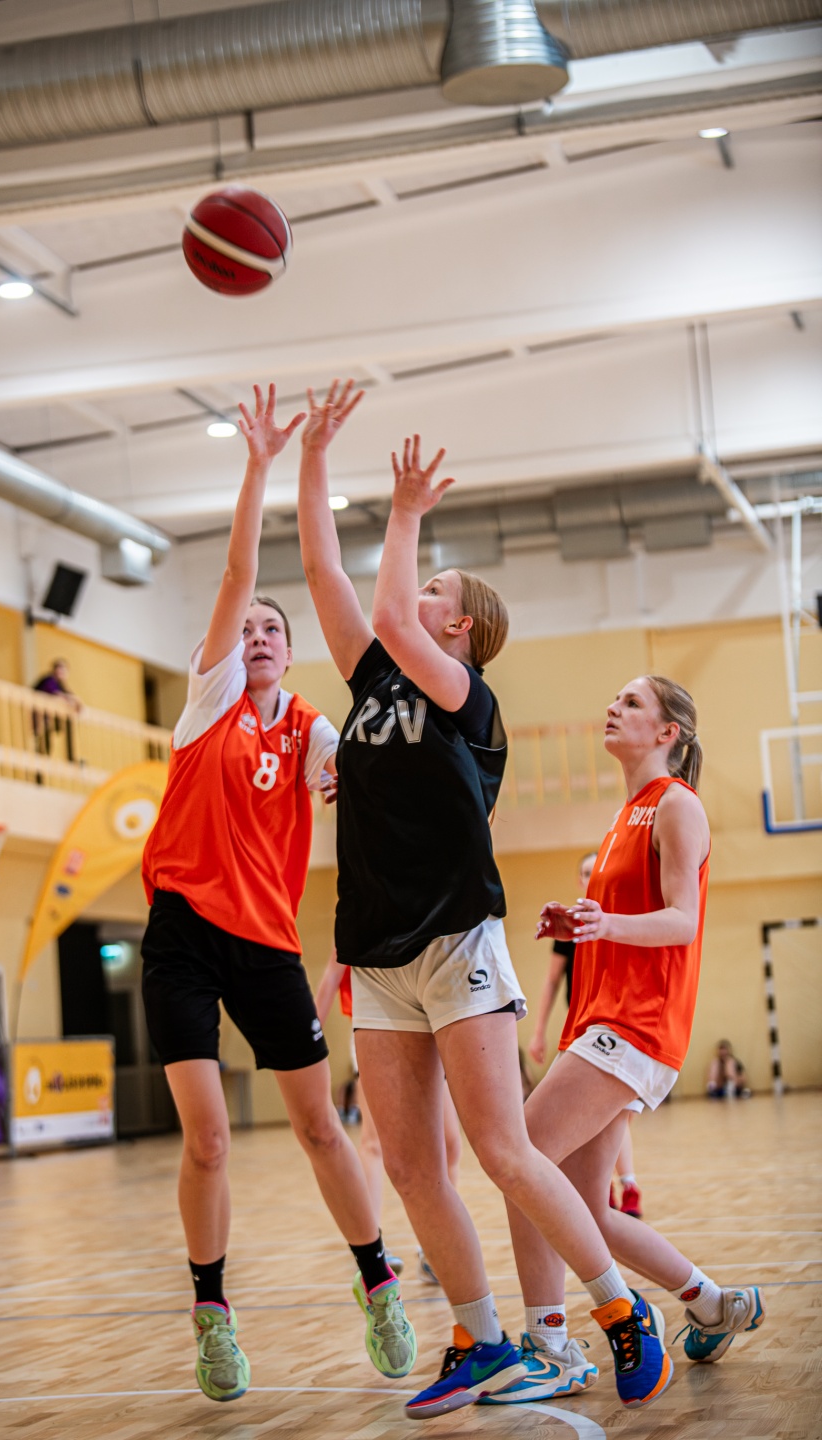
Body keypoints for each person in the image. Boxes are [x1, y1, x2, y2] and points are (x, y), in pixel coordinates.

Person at [298, 382, 669, 1419]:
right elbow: (326, 572)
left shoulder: (469, 700)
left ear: (456, 625)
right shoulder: (371, 686)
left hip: (457, 938)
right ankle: (481, 1338)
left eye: (431, 589)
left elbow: (382, 607)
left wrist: (405, 510)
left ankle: (620, 1311)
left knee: (504, 1150)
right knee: (414, 1167)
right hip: (376, 950)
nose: (409, 598)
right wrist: (312, 455)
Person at [139, 384, 416, 1406]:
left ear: (290, 655)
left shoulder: (311, 729)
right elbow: (237, 571)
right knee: (209, 1137)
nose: (255, 633)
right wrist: (260, 460)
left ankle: (379, 1285)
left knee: (317, 1128)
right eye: (247, 626)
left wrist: (351, 784)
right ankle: (212, 1313)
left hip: (265, 944)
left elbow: (356, 777)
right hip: (180, 934)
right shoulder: (209, 701)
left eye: (271, 630)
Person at [491, 675, 765, 1409]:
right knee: (586, 1210)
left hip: (636, 1025)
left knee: (520, 1158)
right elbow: (626, 920)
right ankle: (712, 1303)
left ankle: (550, 1344)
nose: (613, 708)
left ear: (668, 732)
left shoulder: (676, 805)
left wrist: (606, 923)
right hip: (604, 1020)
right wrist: (583, 923)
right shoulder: (627, 812)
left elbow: (682, 920)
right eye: (615, 699)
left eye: (632, 702)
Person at [315, 948, 463, 1285]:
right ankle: (372, 1245)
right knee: (374, 1143)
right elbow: (330, 978)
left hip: (430, 1026)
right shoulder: (355, 926)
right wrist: (308, 1040)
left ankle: (436, 1248)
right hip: (375, 1028)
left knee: (450, 1143)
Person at [529, 851, 643, 1220]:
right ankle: (603, 1186)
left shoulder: (624, 921)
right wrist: (538, 1032)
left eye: (596, 870)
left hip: (617, 1028)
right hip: (581, 1028)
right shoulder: (571, 926)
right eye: (585, 872)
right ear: (579, 881)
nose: (591, 876)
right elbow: (551, 982)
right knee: (588, 1116)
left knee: (614, 1114)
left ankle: (627, 1184)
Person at [32, 658, 81, 764]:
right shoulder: (49, 680)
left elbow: (69, 696)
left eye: (64, 670)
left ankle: (69, 757)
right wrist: (72, 700)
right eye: (59, 668)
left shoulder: (60, 685)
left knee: (67, 721)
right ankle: (46, 756)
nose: (61, 672)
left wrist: (76, 701)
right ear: (54, 670)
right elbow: (57, 695)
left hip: (48, 717)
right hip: (40, 716)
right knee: (45, 737)